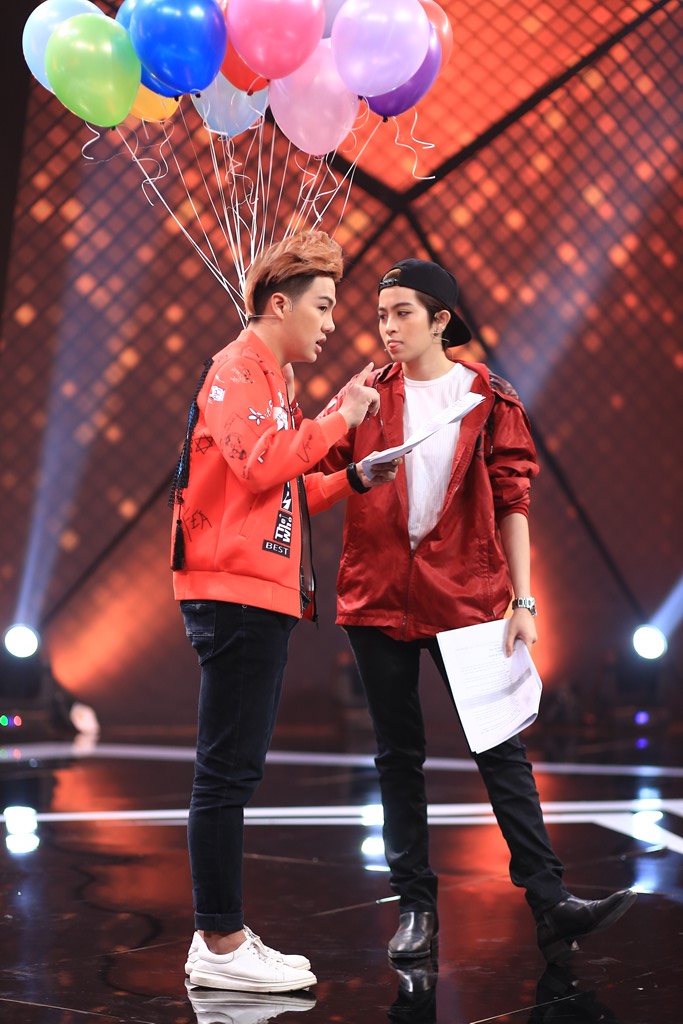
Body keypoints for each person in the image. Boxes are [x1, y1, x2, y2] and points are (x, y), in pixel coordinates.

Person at [317, 258, 636, 963]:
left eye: (402, 312)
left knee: (500, 747)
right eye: (381, 314)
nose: (387, 327)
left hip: (466, 594)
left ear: (440, 321)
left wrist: (523, 600)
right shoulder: (366, 392)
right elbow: (315, 464)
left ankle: (550, 902)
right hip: (375, 595)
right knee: (397, 755)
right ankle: (415, 908)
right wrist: (339, 421)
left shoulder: (487, 397)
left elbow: (513, 503)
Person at [169, 231, 398, 994]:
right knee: (225, 774)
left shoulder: (270, 381)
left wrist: (352, 475)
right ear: (279, 304)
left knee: (233, 771)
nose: (331, 323)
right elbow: (263, 463)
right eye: (323, 306)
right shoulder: (236, 369)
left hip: (256, 592)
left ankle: (223, 936)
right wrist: (341, 419)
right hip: (234, 593)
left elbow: (284, 490)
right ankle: (219, 942)